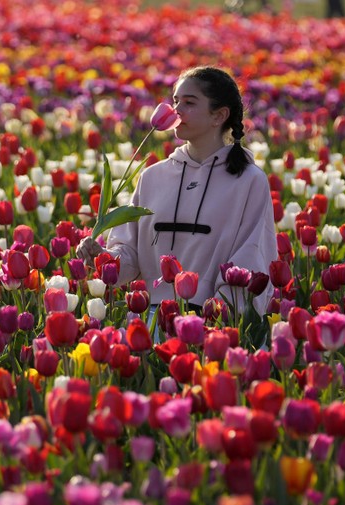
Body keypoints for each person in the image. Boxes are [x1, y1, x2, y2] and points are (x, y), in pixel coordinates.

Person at [77, 66, 277, 319]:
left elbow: (251, 256)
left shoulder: (248, 180)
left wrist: (217, 319)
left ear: (219, 116)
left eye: (189, 103)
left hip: (213, 320)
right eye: (175, 101)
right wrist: (103, 256)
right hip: (152, 320)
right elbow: (130, 255)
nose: (176, 110)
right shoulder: (152, 177)